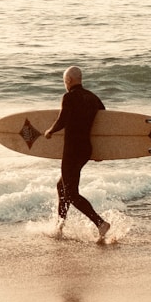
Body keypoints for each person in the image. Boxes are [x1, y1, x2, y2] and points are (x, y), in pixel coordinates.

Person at [44, 66, 111, 240]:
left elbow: (62, 120)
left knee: (71, 193)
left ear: (69, 81)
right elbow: (104, 123)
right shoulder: (93, 98)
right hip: (85, 149)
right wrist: (100, 150)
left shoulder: (69, 97)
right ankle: (59, 227)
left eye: (65, 81)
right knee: (62, 187)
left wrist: (50, 131)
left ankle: (100, 223)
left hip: (72, 150)